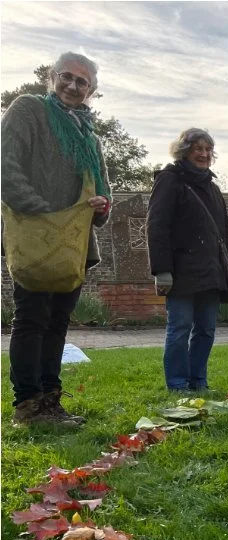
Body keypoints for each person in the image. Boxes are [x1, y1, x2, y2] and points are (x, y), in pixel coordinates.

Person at [1, 52, 112, 427]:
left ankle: (50, 401)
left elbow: (104, 193)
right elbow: (6, 167)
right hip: (36, 234)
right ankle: (27, 406)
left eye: (83, 82)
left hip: (74, 244)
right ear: (52, 77)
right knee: (31, 318)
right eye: (67, 77)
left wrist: (100, 205)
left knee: (58, 321)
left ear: (91, 90)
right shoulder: (28, 110)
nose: (73, 86)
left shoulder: (89, 135)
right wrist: (43, 213)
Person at [148, 128, 228, 391]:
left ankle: (199, 381)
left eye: (208, 149)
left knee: (206, 330)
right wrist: (162, 270)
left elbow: (224, 233)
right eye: (198, 148)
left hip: (211, 272)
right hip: (180, 271)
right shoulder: (169, 180)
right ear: (184, 150)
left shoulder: (213, 188)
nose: (204, 154)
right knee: (180, 328)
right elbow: (156, 226)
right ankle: (177, 384)